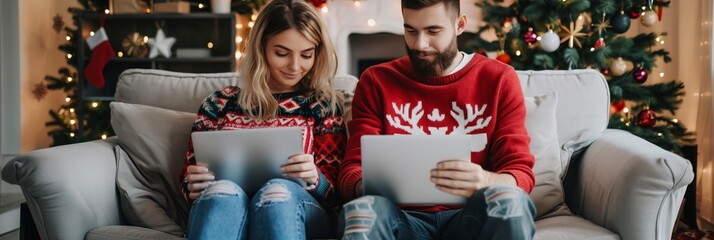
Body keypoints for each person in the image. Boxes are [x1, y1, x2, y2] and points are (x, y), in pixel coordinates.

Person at [337, 0, 536, 239]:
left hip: (469, 217)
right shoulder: (376, 81)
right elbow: (351, 172)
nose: (420, 44)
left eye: (433, 31)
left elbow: (520, 174)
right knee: (362, 213)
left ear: (459, 25)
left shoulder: (499, 79)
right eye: (411, 30)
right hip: (402, 219)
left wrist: (486, 179)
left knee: (510, 200)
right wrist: (367, 184)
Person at [179, 0, 346, 239]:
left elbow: (337, 195)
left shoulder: (323, 106)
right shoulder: (219, 104)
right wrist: (191, 185)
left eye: (307, 55)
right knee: (222, 192)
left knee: (277, 193)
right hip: (226, 204)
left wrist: (315, 178)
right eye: (282, 53)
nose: (295, 66)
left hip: (297, 208)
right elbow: (189, 176)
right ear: (260, 48)